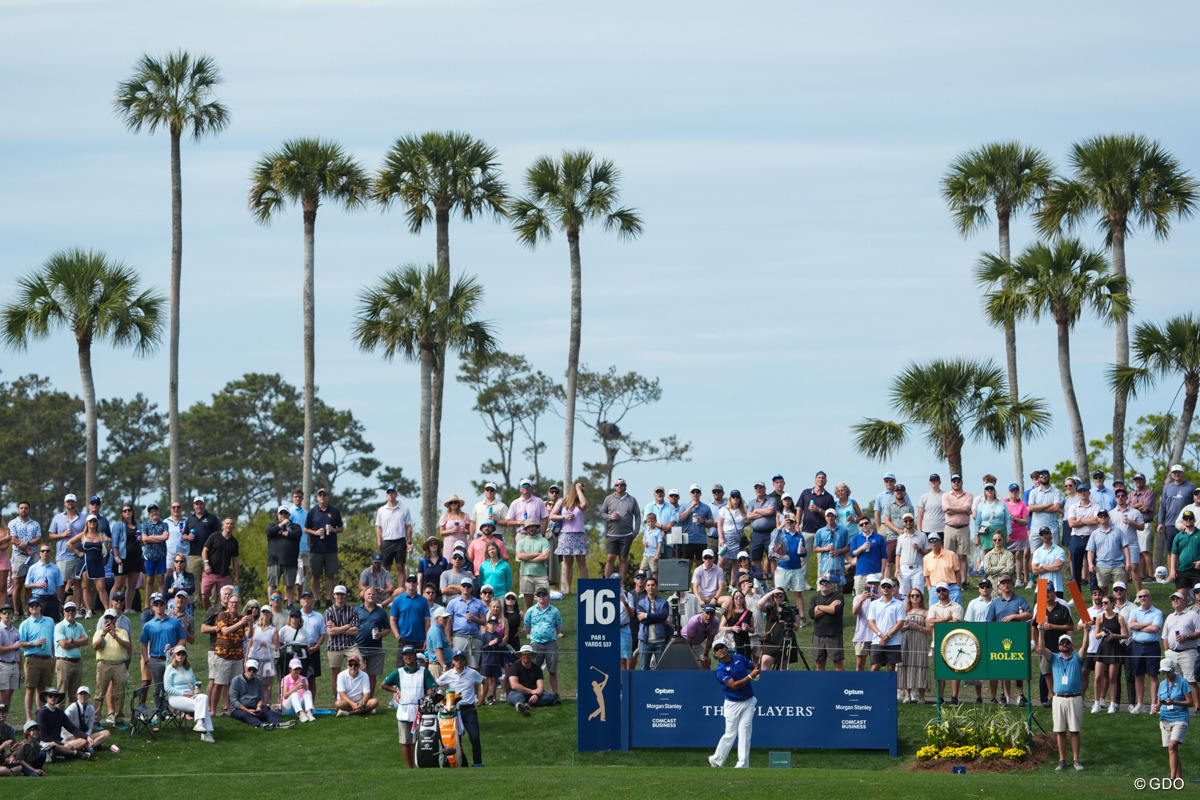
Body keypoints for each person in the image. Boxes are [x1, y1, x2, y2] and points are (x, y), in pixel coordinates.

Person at [707, 641, 759, 768]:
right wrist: (751, 677)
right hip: (733, 704)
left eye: (722, 647)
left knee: (745, 732)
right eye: (717, 649)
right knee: (730, 733)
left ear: (726, 648)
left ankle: (742, 764)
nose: (721, 650)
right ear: (715, 654)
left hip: (748, 701)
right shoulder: (720, 671)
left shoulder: (739, 658)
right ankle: (716, 760)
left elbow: (753, 667)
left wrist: (757, 671)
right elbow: (734, 686)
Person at [383, 645, 436, 767]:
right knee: (406, 742)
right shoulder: (399, 672)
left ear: (414, 656)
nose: (408, 657)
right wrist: (396, 691)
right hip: (404, 711)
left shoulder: (424, 672)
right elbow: (384, 684)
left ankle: (419, 764)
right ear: (403, 657)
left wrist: (426, 701)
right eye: (405, 655)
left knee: (419, 741)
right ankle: (410, 768)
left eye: (410, 655)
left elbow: (430, 688)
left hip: (419, 712)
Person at [985, 575, 1032, 704]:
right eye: (1003, 583)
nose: (1006, 585)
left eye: (1008, 583)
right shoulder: (995, 602)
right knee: (1004, 668)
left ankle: (1020, 695)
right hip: (1000, 639)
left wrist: (1013, 616)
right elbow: (989, 621)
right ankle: (1006, 697)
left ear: (1011, 585)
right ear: (999, 586)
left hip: (1017, 637)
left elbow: (1029, 614)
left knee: (1017, 668)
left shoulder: (1020, 599)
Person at [1041, 634, 1085, 771]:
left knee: (1074, 730)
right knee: (1060, 731)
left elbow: (1085, 647)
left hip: (1075, 697)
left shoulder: (1077, 658)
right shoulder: (1054, 658)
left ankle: (1076, 759)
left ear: (1072, 645)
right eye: (1062, 643)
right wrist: (1041, 631)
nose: (1065, 645)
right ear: (1059, 646)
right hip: (1058, 698)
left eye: (1067, 643)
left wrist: (1087, 632)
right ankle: (1062, 760)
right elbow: (1042, 648)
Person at [435, 651, 485, 766]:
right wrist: (441, 700)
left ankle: (477, 763)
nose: (459, 662)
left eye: (461, 659)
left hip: (469, 709)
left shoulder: (472, 673)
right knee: (456, 739)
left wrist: (482, 698)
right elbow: (436, 684)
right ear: (453, 661)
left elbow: (484, 681)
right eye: (457, 659)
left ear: (465, 661)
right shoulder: (448, 674)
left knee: (475, 737)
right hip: (453, 711)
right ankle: (460, 763)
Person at [1032, 582, 1073, 709]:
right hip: (1045, 646)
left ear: (1054, 593)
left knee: (1061, 672)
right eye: (1044, 593)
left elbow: (1070, 626)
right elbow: (1035, 627)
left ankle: (1062, 694)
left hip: (1061, 647)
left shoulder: (1062, 608)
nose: (1047, 595)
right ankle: (1052, 696)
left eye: (1049, 592)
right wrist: (1036, 643)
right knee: (1047, 673)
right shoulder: (1040, 608)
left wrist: (1053, 627)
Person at [211, 592, 252, 714]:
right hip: (223, 656)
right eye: (232, 602)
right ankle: (213, 710)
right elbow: (225, 631)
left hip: (237, 656)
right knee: (219, 684)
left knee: (232, 685)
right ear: (228, 604)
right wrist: (241, 623)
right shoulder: (222, 616)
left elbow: (249, 635)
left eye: (237, 603)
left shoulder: (241, 618)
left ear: (239, 605)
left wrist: (250, 622)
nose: (234, 604)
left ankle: (228, 709)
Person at [164, 644, 214, 742]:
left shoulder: (188, 668)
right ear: (174, 655)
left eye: (183, 654)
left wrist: (196, 689)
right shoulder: (170, 668)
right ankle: (207, 733)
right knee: (202, 705)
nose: (181, 656)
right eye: (178, 654)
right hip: (176, 697)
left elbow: (194, 683)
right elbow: (167, 688)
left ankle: (200, 724)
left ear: (186, 656)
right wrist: (183, 694)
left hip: (190, 695)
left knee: (203, 697)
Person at [548, 482, 589, 594]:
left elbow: (585, 505)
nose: (581, 491)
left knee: (582, 562)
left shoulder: (580, 502)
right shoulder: (562, 501)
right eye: (580, 489)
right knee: (568, 562)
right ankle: (568, 588)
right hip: (566, 534)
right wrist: (564, 517)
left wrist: (579, 490)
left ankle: (586, 587)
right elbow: (551, 515)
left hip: (579, 534)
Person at [66, 515, 111, 616]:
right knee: (86, 587)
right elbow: (69, 543)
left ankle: (107, 609)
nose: (92, 523)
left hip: (98, 562)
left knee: (101, 587)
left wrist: (107, 550)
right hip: (86, 562)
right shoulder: (83, 535)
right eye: (90, 521)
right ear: (86, 523)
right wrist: (78, 552)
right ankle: (89, 610)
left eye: (94, 521)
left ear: (97, 523)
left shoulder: (101, 535)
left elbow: (109, 542)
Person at [1128, 586, 1164, 714]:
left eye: (1145, 596)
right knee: (1138, 675)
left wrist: (1139, 627)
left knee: (1153, 675)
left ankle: (1154, 704)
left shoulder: (1157, 612)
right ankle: (1140, 704)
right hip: (1137, 646)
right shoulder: (1135, 611)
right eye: (1140, 596)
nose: (1142, 598)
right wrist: (1146, 624)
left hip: (1152, 646)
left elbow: (1155, 628)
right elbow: (1130, 626)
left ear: (1150, 597)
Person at [306, 488, 344, 606]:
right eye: (320, 495)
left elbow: (341, 528)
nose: (322, 497)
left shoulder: (334, 511)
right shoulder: (312, 512)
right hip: (316, 549)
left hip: (331, 549)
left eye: (324, 495)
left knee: (330, 575)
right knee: (315, 575)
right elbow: (306, 529)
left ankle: (328, 599)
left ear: (328, 497)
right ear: (317, 497)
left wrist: (334, 530)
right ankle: (316, 600)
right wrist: (315, 532)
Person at [1154, 659, 1191, 780]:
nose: (1165, 675)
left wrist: (1175, 702)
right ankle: (1179, 778)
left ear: (1174, 670)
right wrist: (1156, 708)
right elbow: (1159, 700)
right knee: (1173, 749)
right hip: (1165, 718)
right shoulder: (1162, 684)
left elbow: (1190, 702)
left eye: (1167, 672)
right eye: (1163, 673)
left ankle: (1172, 778)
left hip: (1180, 718)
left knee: (1172, 745)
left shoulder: (1182, 682)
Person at [1163, 590, 1200, 711]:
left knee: (1191, 681)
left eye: (1177, 598)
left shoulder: (1193, 614)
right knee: (1174, 681)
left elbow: (1198, 632)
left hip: (1188, 652)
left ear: (1185, 601)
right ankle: (1177, 705)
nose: (1175, 601)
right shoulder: (1169, 617)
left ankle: (1197, 707)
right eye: (1173, 599)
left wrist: (1187, 636)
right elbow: (1165, 636)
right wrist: (1166, 651)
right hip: (1172, 653)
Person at [18, 597, 54, 719]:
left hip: (47, 659)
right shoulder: (25, 624)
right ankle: (29, 718)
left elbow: (52, 640)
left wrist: (53, 657)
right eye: (31, 606)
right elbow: (21, 643)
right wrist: (35, 643)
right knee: (30, 689)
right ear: (28, 608)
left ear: (40, 607)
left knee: (42, 690)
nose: (34, 607)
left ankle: (41, 715)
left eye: (36, 605)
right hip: (32, 659)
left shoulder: (49, 621)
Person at [230, 659, 293, 729]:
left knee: (268, 711)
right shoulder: (236, 680)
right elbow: (234, 701)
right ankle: (262, 725)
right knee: (245, 714)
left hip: (254, 706)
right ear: (245, 668)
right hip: (239, 709)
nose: (251, 672)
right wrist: (247, 710)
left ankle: (278, 723)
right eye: (250, 669)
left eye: (254, 670)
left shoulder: (258, 680)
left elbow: (261, 697)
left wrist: (259, 707)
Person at [47, 494, 86, 606]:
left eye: (72, 501)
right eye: (68, 501)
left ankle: (78, 609)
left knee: (78, 584)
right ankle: (59, 609)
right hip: (63, 556)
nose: (70, 503)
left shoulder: (83, 517)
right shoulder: (58, 518)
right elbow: (51, 536)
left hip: (79, 555)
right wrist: (63, 535)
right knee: (61, 584)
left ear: (76, 503)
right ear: (64, 503)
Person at [523, 587, 563, 694]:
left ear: (548, 596)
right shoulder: (530, 611)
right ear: (536, 597)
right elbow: (527, 627)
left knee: (553, 670)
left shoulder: (555, 611)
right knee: (535, 670)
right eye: (539, 595)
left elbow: (559, 628)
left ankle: (555, 694)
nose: (541, 597)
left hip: (551, 643)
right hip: (536, 643)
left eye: (543, 594)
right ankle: (535, 692)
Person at [929, 582, 964, 701]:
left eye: (943, 590)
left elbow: (955, 623)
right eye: (938, 590)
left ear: (949, 592)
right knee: (939, 671)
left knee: (955, 670)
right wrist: (946, 618)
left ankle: (954, 696)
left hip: (954, 643)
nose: (941, 592)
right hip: (937, 643)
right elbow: (929, 623)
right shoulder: (933, 607)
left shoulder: (956, 607)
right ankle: (940, 696)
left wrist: (938, 621)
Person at [34, 687, 91, 760]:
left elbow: (72, 728)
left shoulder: (60, 713)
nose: (53, 698)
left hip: (59, 741)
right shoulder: (42, 713)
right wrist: (63, 744)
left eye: (56, 696)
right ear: (46, 698)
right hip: (44, 742)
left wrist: (86, 736)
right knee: (53, 745)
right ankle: (76, 753)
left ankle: (60, 753)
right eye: (50, 696)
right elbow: (43, 736)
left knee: (83, 741)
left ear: (58, 698)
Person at [601, 479, 640, 581]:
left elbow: (638, 516)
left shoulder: (632, 500)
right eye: (617, 485)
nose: (619, 486)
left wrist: (635, 532)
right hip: (612, 534)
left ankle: (621, 585)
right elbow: (602, 513)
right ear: (614, 486)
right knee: (610, 558)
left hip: (626, 534)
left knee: (623, 559)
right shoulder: (609, 499)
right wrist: (610, 517)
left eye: (622, 485)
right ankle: (607, 583)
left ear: (625, 486)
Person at [8, 502, 42, 617]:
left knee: (31, 585)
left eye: (26, 508)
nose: (24, 510)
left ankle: (28, 612)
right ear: (18, 510)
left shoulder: (35, 524)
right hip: (19, 556)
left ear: (29, 510)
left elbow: (38, 538)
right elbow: (13, 538)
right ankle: (16, 612)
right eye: (21, 508)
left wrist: (27, 544)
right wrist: (27, 549)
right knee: (17, 585)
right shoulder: (13, 523)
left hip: (33, 557)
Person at [962, 578, 994, 702]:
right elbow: (969, 622)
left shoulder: (995, 602)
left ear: (991, 588)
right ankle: (978, 697)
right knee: (978, 667)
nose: (984, 588)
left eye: (987, 586)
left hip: (992, 637)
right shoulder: (973, 603)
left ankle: (993, 697)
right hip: (977, 638)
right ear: (979, 589)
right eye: (982, 586)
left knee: (992, 668)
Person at [325, 584, 360, 695]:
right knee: (336, 674)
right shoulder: (328, 612)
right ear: (334, 595)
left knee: (360, 668)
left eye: (342, 594)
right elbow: (330, 632)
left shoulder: (352, 611)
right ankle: (338, 701)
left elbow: (355, 631)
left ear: (345, 596)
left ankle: (357, 697)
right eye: (338, 594)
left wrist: (336, 628)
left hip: (350, 644)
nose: (340, 596)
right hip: (334, 646)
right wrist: (346, 626)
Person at [352, 588, 389, 692]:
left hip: (376, 649)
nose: (371, 596)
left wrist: (381, 634)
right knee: (357, 674)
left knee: (372, 676)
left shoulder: (381, 611)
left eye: (373, 594)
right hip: (359, 647)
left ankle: (369, 701)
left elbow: (387, 629)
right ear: (364, 595)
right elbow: (349, 626)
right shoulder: (356, 610)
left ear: (376, 596)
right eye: (369, 594)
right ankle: (358, 700)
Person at [446, 578, 488, 668]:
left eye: (468, 586)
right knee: (457, 665)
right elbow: (448, 623)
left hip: (474, 638)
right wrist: (449, 639)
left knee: (473, 667)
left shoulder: (479, 603)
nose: (466, 588)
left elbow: (484, 621)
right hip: (459, 637)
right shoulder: (453, 603)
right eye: (464, 586)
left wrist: (474, 618)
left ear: (472, 588)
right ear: (460, 587)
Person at [266, 506, 303, 607]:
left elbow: (297, 535)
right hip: (274, 560)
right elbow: (269, 532)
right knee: (272, 584)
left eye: (285, 513)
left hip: (290, 560)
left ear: (289, 515)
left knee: (290, 584)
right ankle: (271, 603)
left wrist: (281, 533)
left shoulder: (295, 526)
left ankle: (289, 604)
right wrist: (281, 524)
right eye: (281, 513)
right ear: (278, 515)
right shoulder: (272, 525)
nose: (283, 515)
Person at [390, 574, 432, 664]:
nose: (411, 583)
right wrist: (397, 635)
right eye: (409, 581)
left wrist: (427, 639)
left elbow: (427, 620)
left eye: (413, 581)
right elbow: (392, 619)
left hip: (420, 640)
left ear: (417, 584)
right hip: (404, 639)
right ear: (405, 583)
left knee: (421, 668)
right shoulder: (398, 600)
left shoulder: (423, 600)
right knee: (401, 668)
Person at [941, 475, 974, 586]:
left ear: (961, 482)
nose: (956, 483)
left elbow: (966, 508)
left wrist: (952, 508)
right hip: (949, 528)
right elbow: (946, 510)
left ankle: (964, 581)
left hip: (963, 528)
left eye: (958, 481)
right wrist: (961, 509)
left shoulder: (968, 495)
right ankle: (950, 580)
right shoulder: (945, 496)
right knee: (949, 555)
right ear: (951, 483)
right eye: (954, 481)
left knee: (962, 556)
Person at [898, 588, 930, 703]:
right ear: (909, 598)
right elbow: (897, 628)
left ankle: (921, 695)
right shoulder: (904, 611)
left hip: (919, 641)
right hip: (906, 640)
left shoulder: (926, 612)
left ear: (921, 597)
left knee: (920, 664)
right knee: (905, 665)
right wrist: (906, 626)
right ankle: (907, 694)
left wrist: (919, 627)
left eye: (917, 595)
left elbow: (929, 630)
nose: (915, 598)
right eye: (912, 596)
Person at [201, 518, 240, 611]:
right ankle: (209, 614)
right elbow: (205, 550)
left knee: (224, 599)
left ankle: (221, 616)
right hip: (210, 572)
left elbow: (235, 559)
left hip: (224, 574)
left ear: (233, 527)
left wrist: (237, 576)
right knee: (204, 596)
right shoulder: (214, 536)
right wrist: (206, 564)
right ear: (223, 525)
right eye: (227, 523)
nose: (229, 526)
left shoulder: (234, 542)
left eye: (231, 524)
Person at [1111, 488, 1146, 590]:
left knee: (1134, 568)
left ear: (1126, 498)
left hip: (1131, 544)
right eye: (1118, 496)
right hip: (1117, 546)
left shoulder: (1134, 512)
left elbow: (1142, 527)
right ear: (1115, 499)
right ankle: (1124, 595)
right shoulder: (1111, 513)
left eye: (1122, 496)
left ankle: (1139, 593)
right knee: (1122, 571)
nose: (1120, 498)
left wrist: (1132, 523)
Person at [868, 577, 905, 674]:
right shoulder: (874, 604)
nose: (886, 588)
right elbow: (871, 622)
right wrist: (881, 635)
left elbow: (900, 623)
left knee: (891, 669)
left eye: (888, 586)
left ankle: (890, 689)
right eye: (883, 586)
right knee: (875, 667)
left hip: (893, 641)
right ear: (880, 588)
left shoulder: (899, 604)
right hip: (877, 640)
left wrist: (887, 637)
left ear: (893, 588)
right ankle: (872, 689)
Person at [1088, 510, 1133, 590]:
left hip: (1118, 565)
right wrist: (1090, 564)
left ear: (1109, 518)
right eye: (1100, 516)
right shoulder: (1094, 534)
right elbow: (1091, 551)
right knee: (1102, 589)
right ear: (1098, 519)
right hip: (1102, 565)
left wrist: (1128, 562)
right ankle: (1105, 603)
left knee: (1120, 589)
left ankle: (1122, 602)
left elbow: (1125, 547)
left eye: (1105, 516)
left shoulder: (1118, 531)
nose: (1103, 518)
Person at [507, 643, 555, 715]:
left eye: (529, 653)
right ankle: (520, 706)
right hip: (516, 692)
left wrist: (536, 695)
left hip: (532, 694)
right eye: (524, 653)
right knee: (518, 697)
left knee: (551, 696)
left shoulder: (537, 669)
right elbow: (514, 685)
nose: (526, 655)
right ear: (520, 655)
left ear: (532, 656)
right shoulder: (514, 667)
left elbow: (540, 686)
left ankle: (526, 704)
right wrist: (532, 691)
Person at [809, 573, 845, 671]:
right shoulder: (814, 598)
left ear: (831, 584)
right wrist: (829, 606)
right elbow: (812, 614)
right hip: (818, 634)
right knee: (819, 663)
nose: (824, 584)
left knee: (838, 663)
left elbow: (835, 610)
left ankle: (841, 683)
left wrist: (819, 607)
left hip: (834, 634)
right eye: (822, 582)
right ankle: (820, 684)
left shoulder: (838, 596)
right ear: (819, 585)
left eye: (827, 582)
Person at [973, 483, 1010, 575]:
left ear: (994, 490)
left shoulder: (1002, 504)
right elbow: (977, 522)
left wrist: (1009, 534)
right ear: (985, 491)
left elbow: (1007, 519)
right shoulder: (981, 505)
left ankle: (1002, 577)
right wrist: (976, 536)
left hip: (1000, 530)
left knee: (1001, 554)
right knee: (988, 555)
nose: (989, 490)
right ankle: (988, 577)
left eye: (991, 488)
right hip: (986, 532)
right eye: (987, 489)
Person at [52, 601, 87, 700]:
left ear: (76, 612)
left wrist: (71, 641)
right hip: (64, 662)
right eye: (68, 610)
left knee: (75, 695)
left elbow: (86, 641)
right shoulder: (59, 626)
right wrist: (78, 641)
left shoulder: (79, 626)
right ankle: (59, 715)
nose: (70, 612)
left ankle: (73, 715)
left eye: (72, 610)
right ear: (64, 612)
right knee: (61, 693)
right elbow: (63, 644)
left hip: (77, 662)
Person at [1067, 486, 1101, 588]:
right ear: (1077, 494)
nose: (1083, 493)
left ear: (1089, 493)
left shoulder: (1096, 506)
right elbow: (1071, 524)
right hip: (1076, 538)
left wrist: (1079, 519)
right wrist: (1087, 520)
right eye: (1080, 491)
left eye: (1085, 491)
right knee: (1075, 568)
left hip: (1091, 538)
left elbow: (1096, 521)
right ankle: (1076, 597)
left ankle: (1095, 594)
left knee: (1093, 567)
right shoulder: (1073, 507)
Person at [881, 482, 916, 582]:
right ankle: (886, 583)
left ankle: (900, 585)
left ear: (905, 493)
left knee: (902, 563)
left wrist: (904, 530)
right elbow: (887, 521)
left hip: (906, 537)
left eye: (901, 491)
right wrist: (898, 530)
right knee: (889, 563)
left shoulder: (909, 507)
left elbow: (911, 521)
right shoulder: (889, 506)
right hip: (892, 537)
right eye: (897, 491)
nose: (899, 493)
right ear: (894, 493)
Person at [376, 485, 414, 573]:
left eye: (392, 493)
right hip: (387, 541)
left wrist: (409, 543)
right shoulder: (381, 510)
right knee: (385, 567)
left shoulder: (404, 509)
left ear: (396, 494)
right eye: (388, 493)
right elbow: (379, 527)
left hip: (400, 541)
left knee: (400, 566)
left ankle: (401, 587)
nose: (390, 495)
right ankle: (386, 586)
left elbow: (408, 526)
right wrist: (379, 543)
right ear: (386, 495)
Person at [184, 496, 222, 585]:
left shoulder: (212, 518)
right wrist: (188, 537)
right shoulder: (190, 520)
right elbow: (184, 535)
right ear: (194, 506)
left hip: (210, 555)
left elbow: (219, 536)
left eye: (201, 504)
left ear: (204, 505)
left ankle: (212, 600)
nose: (199, 506)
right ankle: (195, 599)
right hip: (194, 555)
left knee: (211, 580)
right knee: (194, 580)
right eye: (197, 504)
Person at [516, 520, 551, 610]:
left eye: (533, 526)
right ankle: (528, 624)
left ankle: (546, 623)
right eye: (529, 527)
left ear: (536, 527)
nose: (531, 528)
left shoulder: (544, 541)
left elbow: (545, 556)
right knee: (528, 604)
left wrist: (528, 558)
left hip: (541, 575)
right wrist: (537, 554)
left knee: (545, 603)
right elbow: (520, 556)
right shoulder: (521, 542)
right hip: (526, 575)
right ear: (526, 529)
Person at [636, 577, 671, 669]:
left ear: (657, 587)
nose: (650, 587)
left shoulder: (663, 602)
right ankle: (645, 684)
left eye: (653, 585)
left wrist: (647, 615)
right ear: (645, 587)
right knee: (644, 668)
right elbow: (643, 620)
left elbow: (663, 616)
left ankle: (661, 684)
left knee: (661, 668)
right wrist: (658, 618)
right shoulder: (640, 602)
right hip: (645, 641)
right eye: (648, 585)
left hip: (660, 641)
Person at [138, 503, 170, 599]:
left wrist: (151, 537)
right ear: (149, 514)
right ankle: (148, 604)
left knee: (161, 579)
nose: (153, 513)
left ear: (158, 512)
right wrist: (158, 538)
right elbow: (144, 539)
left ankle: (161, 601)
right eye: (151, 512)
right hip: (149, 556)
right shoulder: (145, 525)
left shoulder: (164, 524)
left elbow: (165, 537)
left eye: (155, 511)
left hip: (161, 555)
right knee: (150, 580)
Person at [25, 544, 63, 623]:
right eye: (43, 551)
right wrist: (37, 585)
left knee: (54, 623)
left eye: (47, 551)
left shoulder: (55, 568)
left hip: (52, 599)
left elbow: (59, 585)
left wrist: (59, 601)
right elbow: (27, 585)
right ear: (40, 553)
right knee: (37, 622)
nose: (45, 552)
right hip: (38, 598)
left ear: (50, 553)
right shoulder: (33, 568)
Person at [894, 514, 928, 600]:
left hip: (917, 568)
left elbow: (928, 552)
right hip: (904, 569)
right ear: (903, 523)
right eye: (906, 521)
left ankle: (919, 612)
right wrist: (897, 569)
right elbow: (898, 555)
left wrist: (919, 549)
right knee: (903, 594)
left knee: (918, 594)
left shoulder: (922, 535)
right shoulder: (901, 538)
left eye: (910, 520)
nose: (908, 522)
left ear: (913, 521)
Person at [814, 508, 850, 588]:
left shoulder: (843, 530)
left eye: (832, 516)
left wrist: (839, 551)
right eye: (828, 516)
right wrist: (825, 548)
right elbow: (815, 549)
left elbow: (848, 547)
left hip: (839, 565)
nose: (830, 518)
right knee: (825, 590)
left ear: (836, 517)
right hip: (825, 566)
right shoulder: (820, 531)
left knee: (839, 590)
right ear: (825, 517)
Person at [851, 575, 880, 672]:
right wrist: (862, 600)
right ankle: (858, 685)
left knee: (876, 666)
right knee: (860, 665)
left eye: (875, 583)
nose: (873, 585)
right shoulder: (858, 598)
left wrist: (877, 601)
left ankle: (871, 685)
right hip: (862, 635)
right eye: (870, 583)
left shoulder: (881, 599)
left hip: (876, 636)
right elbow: (854, 612)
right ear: (866, 584)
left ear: (878, 584)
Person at [1004, 483, 1031, 586]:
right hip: (1007, 534)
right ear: (1008, 492)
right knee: (1006, 557)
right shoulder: (1004, 503)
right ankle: (1007, 578)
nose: (1014, 492)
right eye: (1012, 490)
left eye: (1016, 490)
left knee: (1018, 556)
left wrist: (1015, 519)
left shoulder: (1022, 504)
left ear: (1018, 492)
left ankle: (1019, 579)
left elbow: (1026, 521)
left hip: (1020, 534)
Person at [849, 517, 886, 595]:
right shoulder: (856, 538)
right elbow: (852, 554)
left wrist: (882, 571)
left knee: (877, 598)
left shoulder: (879, 537)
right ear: (859, 527)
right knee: (860, 598)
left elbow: (884, 556)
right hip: (860, 573)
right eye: (861, 524)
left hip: (876, 572)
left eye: (866, 523)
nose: (864, 525)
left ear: (870, 523)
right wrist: (862, 548)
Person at [922, 531, 960, 604]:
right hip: (935, 589)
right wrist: (929, 588)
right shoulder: (926, 558)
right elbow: (927, 576)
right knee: (934, 612)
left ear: (940, 542)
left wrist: (958, 587)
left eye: (936, 540)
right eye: (931, 541)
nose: (933, 543)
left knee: (956, 611)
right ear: (929, 544)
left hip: (951, 587)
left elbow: (957, 572)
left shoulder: (951, 554)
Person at [717, 491, 748, 576]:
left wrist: (744, 525)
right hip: (726, 537)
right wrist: (721, 538)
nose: (735, 499)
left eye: (737, 497)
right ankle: (718, 582)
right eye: (733, 497)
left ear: (740, 498)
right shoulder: (724, 509)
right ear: (730, 498)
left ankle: (732, 584)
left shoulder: (744, 509)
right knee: (722, 560)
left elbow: (750, 518)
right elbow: (719, 525)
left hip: (739, 537)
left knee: (737, 561)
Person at [1169, 510, 1200, 591]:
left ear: (1194, 520)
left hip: (1197, 570)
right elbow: (1174, 554)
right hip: (1182, 570)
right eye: (1186, 519)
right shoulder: (1179, 536)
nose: (1188, 520)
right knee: (1181, 596)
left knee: (1198, 595)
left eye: (1190, 518)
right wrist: (1172, 569)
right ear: (1183, 521)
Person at [1031, 527, 1066, 596]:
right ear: (1040, 537)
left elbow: (1057, 568)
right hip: (1041, 587)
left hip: (1056, 587)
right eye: (1042, 534)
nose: (1044, 536)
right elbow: (1035, 570)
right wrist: (1052, 565)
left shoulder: (1059, 550)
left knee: (1057, 607)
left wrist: (1042, 565)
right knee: (1039, 607)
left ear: (1050, 534)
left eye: (1046, 533)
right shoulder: (1037, 552)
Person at [280, 658, 316, 723]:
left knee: (308, 692)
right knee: (295, 694)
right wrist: (296, 688)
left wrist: (305, 687)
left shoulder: (303, 679)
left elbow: (307, 696)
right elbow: (285, 696)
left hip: (299, 704)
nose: (297, 671)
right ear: (290, 669)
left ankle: (309, 713)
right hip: (287, 706)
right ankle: (301, 714)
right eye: (295, 669)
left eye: (299, 669)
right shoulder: (285, 679)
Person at [418, 538, 449, 604]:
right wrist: (419, 595)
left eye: (435, 544)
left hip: (439, 595)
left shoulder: (443, 561)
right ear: (428, 547)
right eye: (431, 544)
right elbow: (419, 580)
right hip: (426, 595)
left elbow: (447, 577)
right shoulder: (423, 561)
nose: (433, 546)